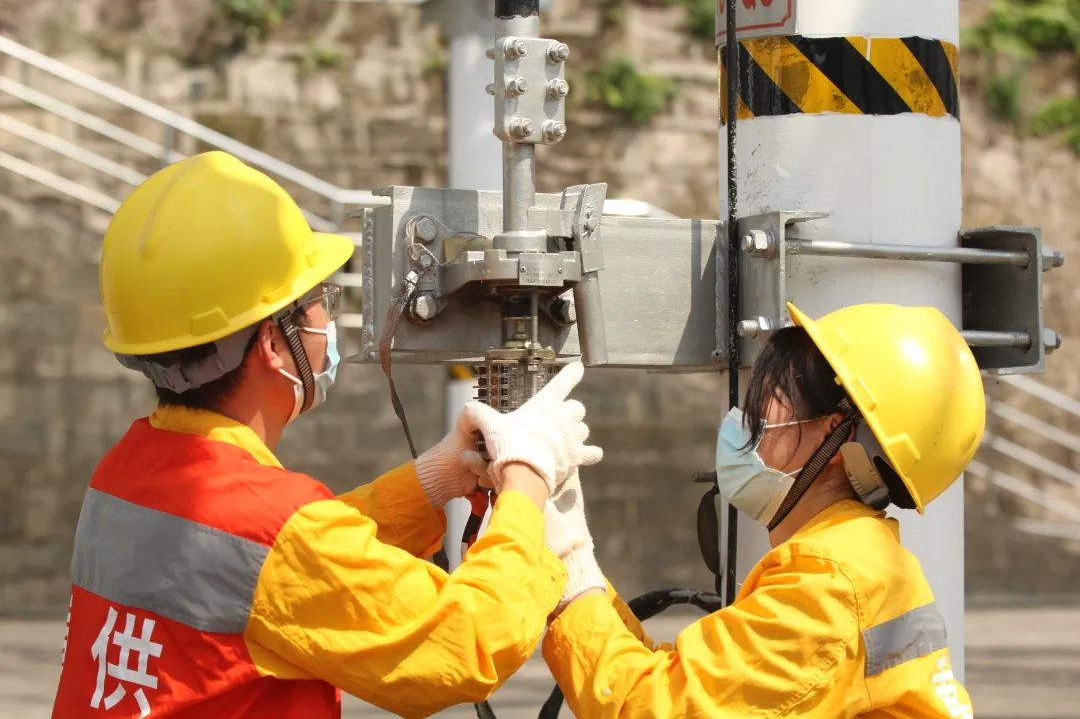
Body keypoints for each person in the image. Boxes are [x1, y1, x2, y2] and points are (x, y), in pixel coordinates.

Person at [51, 151, 602, 718]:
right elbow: (464, 644)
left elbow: (289, 569)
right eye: (319, 302)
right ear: (272, 343)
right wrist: (528, 482)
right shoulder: (268, 526)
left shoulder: (125, 470)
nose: (326, 323)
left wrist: (435, 479)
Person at [538, 302, 980, 718]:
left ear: (837, 437)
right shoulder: (858, 563)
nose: (743, 418)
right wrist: (580, 576)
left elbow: (656, 706)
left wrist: (570, 566)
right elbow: (689, 686)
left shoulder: (828, 587)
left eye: (772, 399)